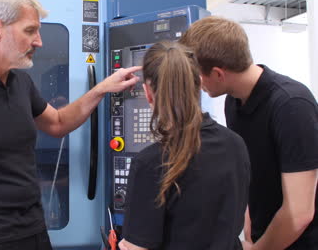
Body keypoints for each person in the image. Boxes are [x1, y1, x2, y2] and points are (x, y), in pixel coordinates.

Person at [0, 0, 140, 249]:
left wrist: (101, 89)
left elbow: (58, 123)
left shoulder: (20, 82)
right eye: (30, 30)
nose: (39, 41)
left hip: (35, 231)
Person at [179, 16, 318, 250]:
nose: (196, 84)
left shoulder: (291, 106)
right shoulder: (234, 102)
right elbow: (250, 174)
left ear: (218, 74)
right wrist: (250, 234)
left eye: (197, 76)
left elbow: (299, 213)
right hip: (266, 237)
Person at [118, 41, 250, 250]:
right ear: (199, 84)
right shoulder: (236, 144)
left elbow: (136, 247)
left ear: (148, 93)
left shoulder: (150, 163)